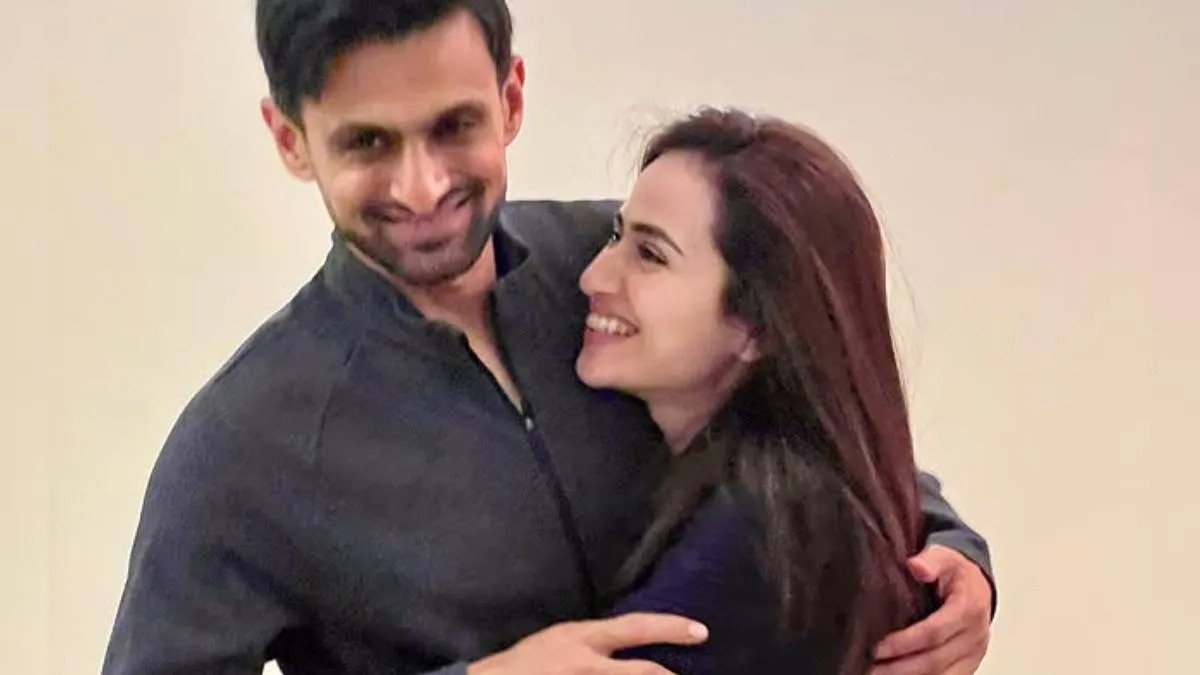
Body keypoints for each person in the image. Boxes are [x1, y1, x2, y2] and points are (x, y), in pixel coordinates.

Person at [102, 2, 995, 674]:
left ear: (512, 98)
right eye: (367, 143)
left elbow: (816, 412)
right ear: (290, 140)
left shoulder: (616, 268)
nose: (421, 188)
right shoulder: (241, 445)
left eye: (454, 126)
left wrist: (954, 556)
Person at [566, 107, 960, 674]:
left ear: (756, 326)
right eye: (615, 236)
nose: (592, 277)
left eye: (650, 255)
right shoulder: (803, 494)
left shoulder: (756, 539)